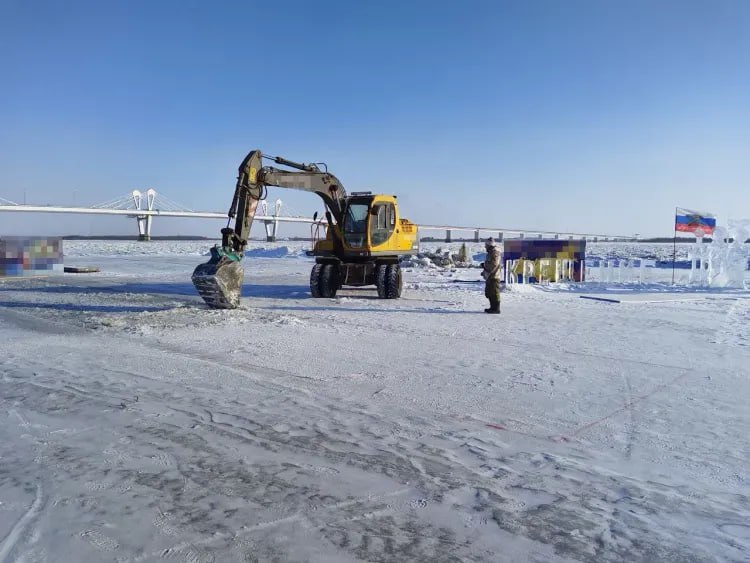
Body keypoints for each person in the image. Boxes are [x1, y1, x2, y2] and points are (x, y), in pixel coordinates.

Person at [481, 237, 501, 314]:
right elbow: (491, 263)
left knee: (494, 292)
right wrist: (485, 267)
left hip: (494, 276)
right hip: (491, 275)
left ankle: (496, 308)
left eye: (486, 245)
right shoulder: (491, 252)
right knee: (489, 292)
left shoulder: (494, 252)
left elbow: (494, 264)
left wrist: (485, 267)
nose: (485, 246)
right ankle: (492, 307)